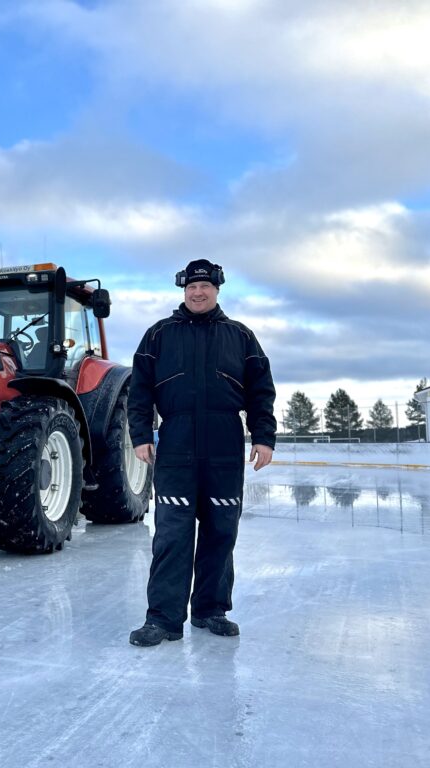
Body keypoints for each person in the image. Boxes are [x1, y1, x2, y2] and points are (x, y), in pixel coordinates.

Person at [127, 259, 276, 647]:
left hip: (225, 444)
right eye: (191, 287)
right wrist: (140, 434)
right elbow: (140, 391)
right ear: (183, 290)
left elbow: (262, 391)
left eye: (205, 286)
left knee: (221, 531)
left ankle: (211, 610)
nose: (197, 292)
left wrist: (264, 437)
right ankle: (162, 619)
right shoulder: (159, 334)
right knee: (173, 533)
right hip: (175, 443)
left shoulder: (240, 336)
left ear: (217, 289)